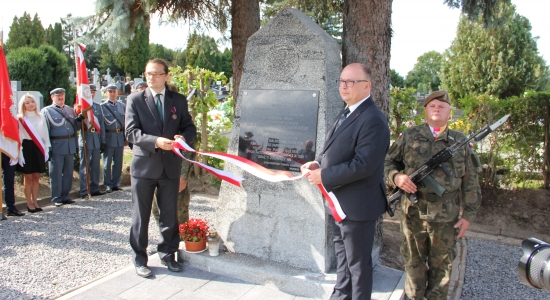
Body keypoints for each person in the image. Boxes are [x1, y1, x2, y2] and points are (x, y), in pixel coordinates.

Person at [301, 63, 390, 300]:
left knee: (358, 266)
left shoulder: (373, 119)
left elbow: (364, 165)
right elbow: (334, 150)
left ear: (367, 86)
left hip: (357, 207)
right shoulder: (348, 111)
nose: (344, 86)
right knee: (343, 260)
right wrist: (317, 164)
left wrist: (324, 176)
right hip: (339, 203)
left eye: (351, 82)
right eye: (342, 81)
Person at [384, 90, 481, 300]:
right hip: (413, 214)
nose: (437, 109)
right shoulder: (409, 136)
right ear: (425, 110)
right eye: (432, 106)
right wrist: (397, 177)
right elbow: (388, 163)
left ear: (449, 113)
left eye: (442, 106)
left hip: (446, 218)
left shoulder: (460, 142)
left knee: (442, 269)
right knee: (413, 264)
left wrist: (468, 216)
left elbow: (471, 181)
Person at [125, 58, 196, 277]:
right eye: (148, 74)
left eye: (156, 74)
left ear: (166, 75)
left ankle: (168, 254)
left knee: (169, 215)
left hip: (170, 168)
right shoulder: (135, 99)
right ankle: (140, 259)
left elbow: (189, 127)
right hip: (144, 167)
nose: (152, 78)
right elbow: (131, 133)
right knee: (141, 216)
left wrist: (182, 138)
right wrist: (156, 141)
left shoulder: (178, 100)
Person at [152, 82, 193, 225]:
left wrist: (183, 176)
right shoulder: (157, 116)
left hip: (175, 173)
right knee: (157, 210)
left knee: (179, 211)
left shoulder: (180, 118)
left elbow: (189, 151)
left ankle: (180, 241)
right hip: (157, 172)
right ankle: (166, 239)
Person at [41, 88, 84, 206]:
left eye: (62, 95)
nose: (61, 98)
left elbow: (75, 129)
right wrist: (47, 149)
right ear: (52, 97)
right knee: (56, 173)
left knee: (68, 172)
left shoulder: (70, 110)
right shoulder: (47, 111)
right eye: (58, 96)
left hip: (69, 144)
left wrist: (79, 121)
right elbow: (45, 131)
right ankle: (56, 197)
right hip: (56, 146)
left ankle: (65, 195)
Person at [16, 94, 50, 213]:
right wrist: (20, 153)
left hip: (38, 147)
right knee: (28, 177)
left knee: (36, 177)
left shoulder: (41, 116)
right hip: (27, 147)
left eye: (32, 102)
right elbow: (19, 137)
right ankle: (28, 203)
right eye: (27, 102)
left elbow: (45, 134)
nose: (30, 104)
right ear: (23, 105)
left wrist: (46, 149)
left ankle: (35, 201)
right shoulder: (20, 118)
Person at [76, 85, 106, 199]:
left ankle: (94, 188)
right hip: (86, 140)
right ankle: (84, 190)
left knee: (95, 166)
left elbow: (101, 125)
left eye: (93, 92)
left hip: (96, 140)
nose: (92, 94)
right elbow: (77, 126)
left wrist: (103, 141)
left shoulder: (97, 107)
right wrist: (78, 119)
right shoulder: (80, 107)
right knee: (85, 166)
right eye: (90, 92)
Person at [100, 84, 126, 193]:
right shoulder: (102, 107)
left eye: (114, 91)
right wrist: (103, 140)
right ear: (106, 93)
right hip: (109, 137)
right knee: (107, 163)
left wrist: (125, 138)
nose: (112, 93)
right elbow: (101, 125)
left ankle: (116, 183)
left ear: (117, 92)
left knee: (118, 163)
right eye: (110, 91)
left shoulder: (122, 106)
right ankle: (107, 184)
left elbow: (125, 123)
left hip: (119, 137)